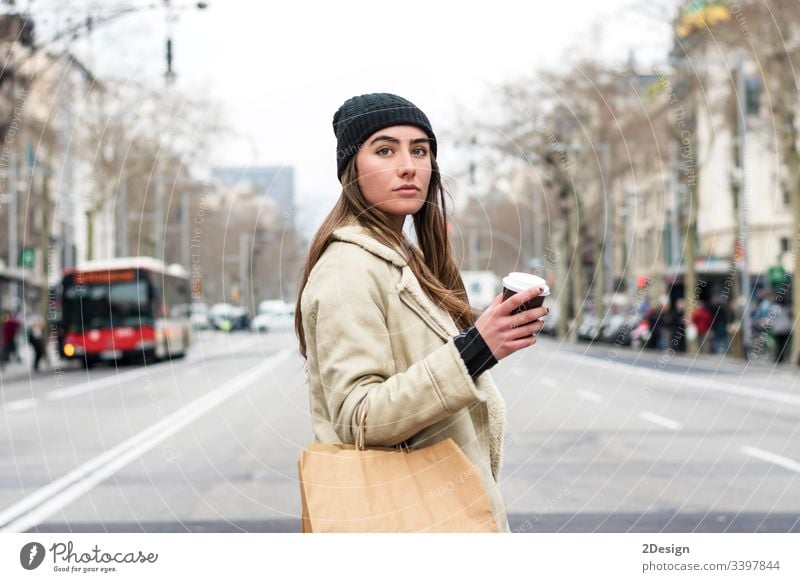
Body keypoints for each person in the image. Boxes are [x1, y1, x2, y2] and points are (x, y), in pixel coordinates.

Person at [294, 93, 548, 533]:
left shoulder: (404, 260)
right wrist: (474, 351)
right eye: (385, 150)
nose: (409, 165)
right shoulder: (349, 268)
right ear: (350, 170)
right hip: (403, 520)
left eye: (420, 150)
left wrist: (487, 340)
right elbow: (360, 417)